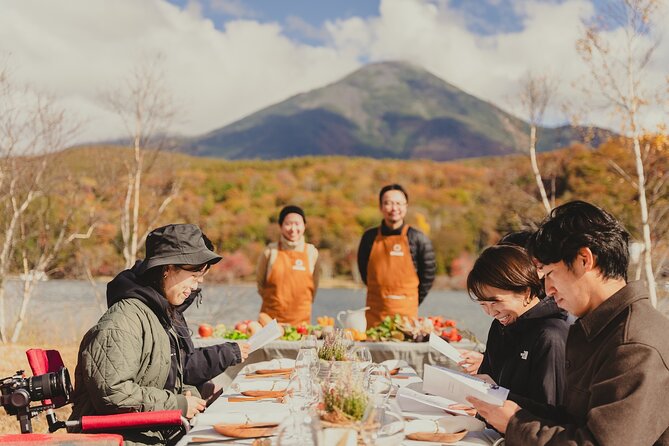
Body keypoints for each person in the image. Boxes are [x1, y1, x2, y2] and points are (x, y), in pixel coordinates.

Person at [468, 200, 669, 445]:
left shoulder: (635, 344)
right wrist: (504, 403)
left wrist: (515, 424)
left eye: (550, 274)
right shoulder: (599, 328)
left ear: (584, 259)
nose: (548, 289)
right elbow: (572, 420)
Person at [70, 224, 248, 445]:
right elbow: (113, 393)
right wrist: (178, 404)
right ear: (168, 268)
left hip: (151, 432)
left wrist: (192, 396)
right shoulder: (122, 321)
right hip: (123, 439)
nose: (197, 284)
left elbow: (162, 379)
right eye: (194, 274)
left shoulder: (158, 314)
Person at [464, 244, 569, 406]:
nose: (491, 313)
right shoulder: (499, 327)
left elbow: (552, 414)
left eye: (495, 302)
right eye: (483, 305)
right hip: (494, 426)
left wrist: (495, 393)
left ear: (526, 292)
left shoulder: (551, 336)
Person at [357, 184, 436, 327]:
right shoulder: (369, 237)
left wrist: (410, 300)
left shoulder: (418, 239)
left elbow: (428, 276)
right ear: (381, 207)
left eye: (399, 203)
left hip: (407, 317)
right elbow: (364, 272)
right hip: (375, 313)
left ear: (406, 207)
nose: (394, 208)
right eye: (388, 203)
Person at [257, 205, 319, 325]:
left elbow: (314, 287)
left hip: (301, 323)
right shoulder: (270, 251)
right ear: (280, 226)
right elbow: (260, 283)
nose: (293, 228)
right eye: (288, 224)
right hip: (270, 322)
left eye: (297, 223)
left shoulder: (312, 252)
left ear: (304, 226)